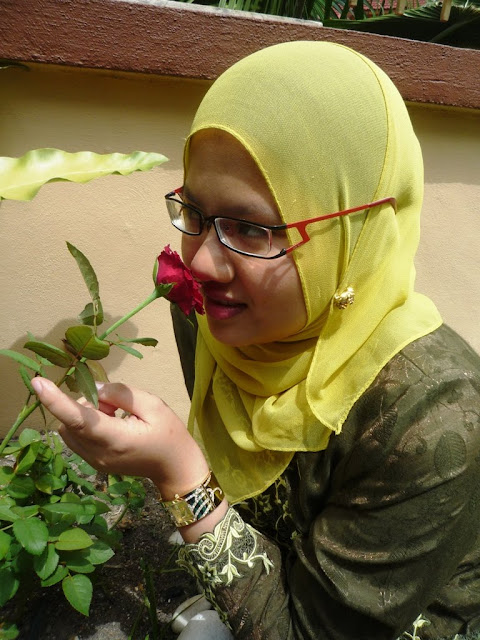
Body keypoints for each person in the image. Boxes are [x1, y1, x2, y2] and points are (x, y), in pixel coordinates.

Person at [30, 41, 480, 640]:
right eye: (194, 213)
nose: (202, 262)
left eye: (250, 228)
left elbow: (312, 633)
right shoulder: (216, 317)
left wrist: (182, 480)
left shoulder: (434, 419)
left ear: (354, 232)